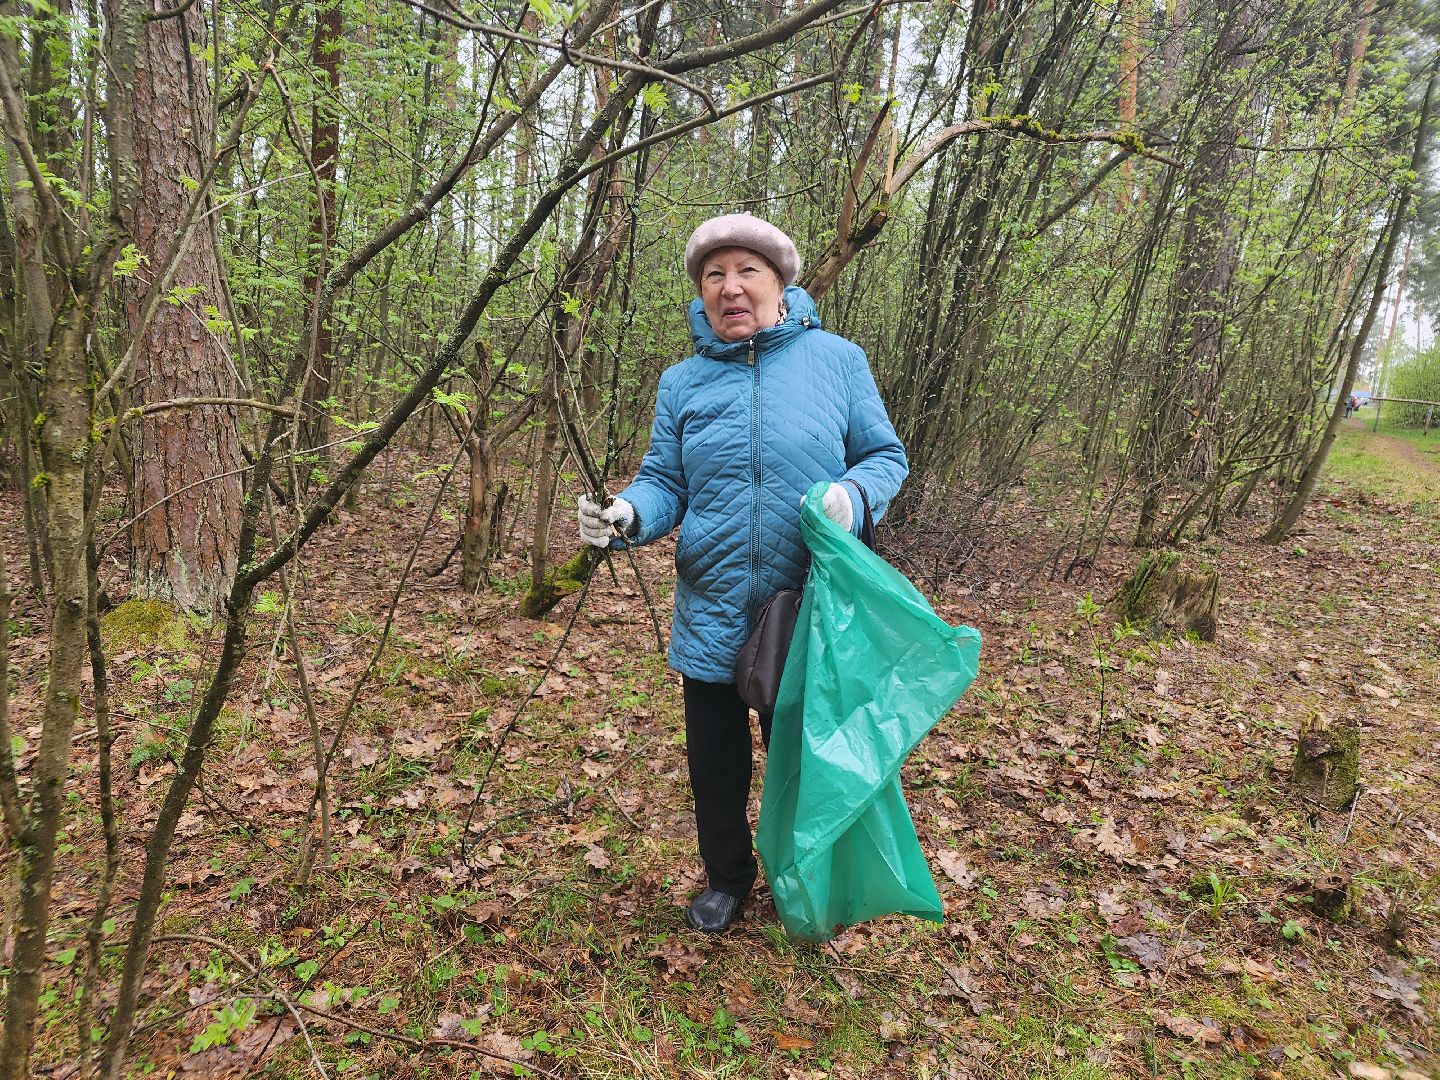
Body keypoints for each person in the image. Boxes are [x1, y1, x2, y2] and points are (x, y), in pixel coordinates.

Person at [577, 213, 908, 933]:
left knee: (805, 759)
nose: (730, 288)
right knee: (715, 766)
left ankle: (808, 879)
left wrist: (853, 496)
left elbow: (885, 457)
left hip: (806, 604)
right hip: (712, 605)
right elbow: (665, 481)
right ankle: (727, 878)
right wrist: (628, 514)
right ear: (700, 293)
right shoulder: (682, 383)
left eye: (747, 272)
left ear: (780, 284)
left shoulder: (837, 362)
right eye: (714, 275)